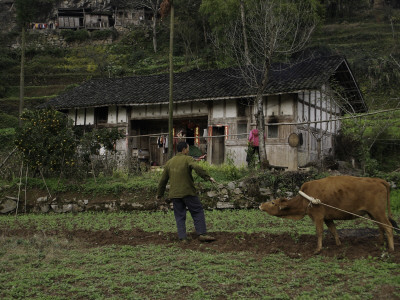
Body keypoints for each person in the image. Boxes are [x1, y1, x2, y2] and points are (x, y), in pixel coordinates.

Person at [157, 141, 216, 242]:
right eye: (188, 148)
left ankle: (183, 238)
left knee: (179, 215)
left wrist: (159, 194)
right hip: (188, 192)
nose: (188, 150)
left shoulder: (169, 162)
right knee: (197, 211)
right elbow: (197, 167)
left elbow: (163, 180)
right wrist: (208, 177)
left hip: (175, 194)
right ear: (184, 149)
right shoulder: (188, 159)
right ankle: (201, 234)